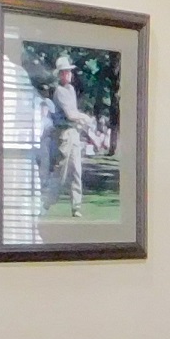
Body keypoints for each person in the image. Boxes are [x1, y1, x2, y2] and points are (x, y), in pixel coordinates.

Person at [45, 53, 102, 218]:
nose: (67, 74)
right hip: (64, 135)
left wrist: (90, 132)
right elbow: (71, 115)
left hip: (74, 133)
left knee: (77, 171)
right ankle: (47, 203)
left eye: (69, 71)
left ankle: (76, 207)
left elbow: (75, 117)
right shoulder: (60, 91)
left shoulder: (70, 90)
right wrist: (87, 118)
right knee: (60, 173)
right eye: (64, 72)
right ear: (60, 74)